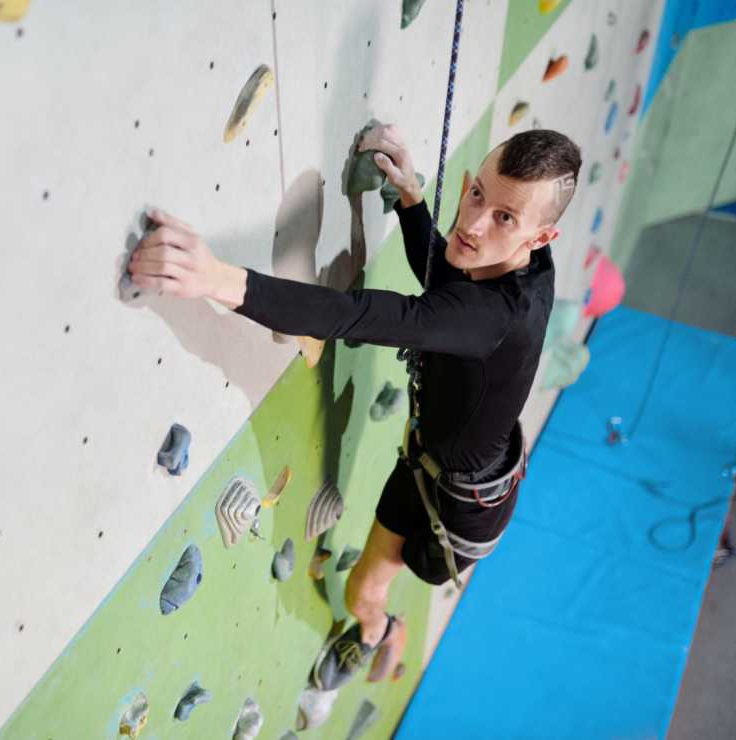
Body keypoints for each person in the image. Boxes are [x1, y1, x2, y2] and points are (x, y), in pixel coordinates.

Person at [127, 123, 581, 689]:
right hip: (435, 456)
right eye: (477, 193)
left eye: (505, 218)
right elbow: (449, 286)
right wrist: (413, 199)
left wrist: (215, 277)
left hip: (460, 510)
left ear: (541, 239)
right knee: (362, 583)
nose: (474, 222)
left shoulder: (492, 318)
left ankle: (376, 632)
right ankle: (377, 626)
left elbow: (354, 314)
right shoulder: (524, 266)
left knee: (362, 592)